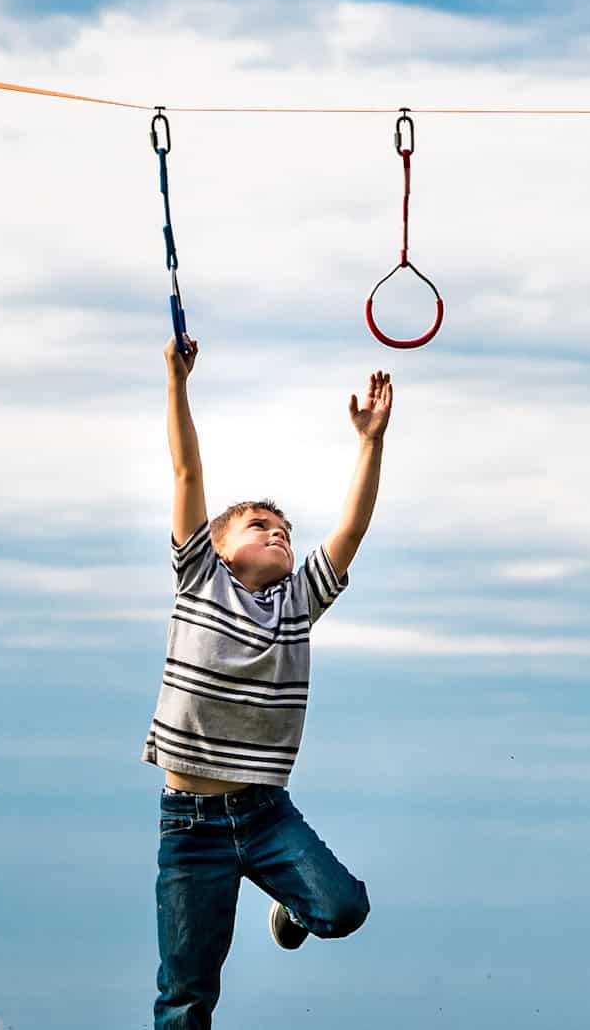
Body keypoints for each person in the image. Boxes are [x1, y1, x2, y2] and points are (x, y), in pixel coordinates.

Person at [146, 333, 389, 1028]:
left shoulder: (298, 603)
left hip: (263, 814)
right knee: (187, 994)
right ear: (218, 547)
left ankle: (288, 900)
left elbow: (352, 528)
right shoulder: (199, 580)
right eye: (260, 525)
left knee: (344, 909)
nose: (279, 534)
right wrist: (177, 381)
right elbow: (188, 474)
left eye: (285, 529)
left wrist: (369, 442)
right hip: (189, 827)